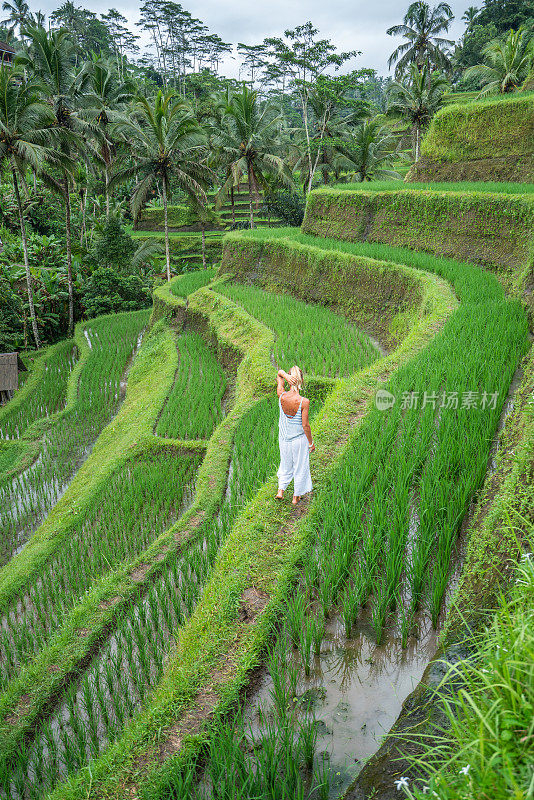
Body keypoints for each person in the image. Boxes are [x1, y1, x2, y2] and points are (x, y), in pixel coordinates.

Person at [275, 366, 314, 505]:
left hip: (284, 439)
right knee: (300, 466)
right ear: (302, 380)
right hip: (298, 440)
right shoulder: (304, 401)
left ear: (290, 379)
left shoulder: (282, 395)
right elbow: (305, 426)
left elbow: (279, 375)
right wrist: (311, 443)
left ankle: (281, 491)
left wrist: (285, 375)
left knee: (285, 463)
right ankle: (295, 497)